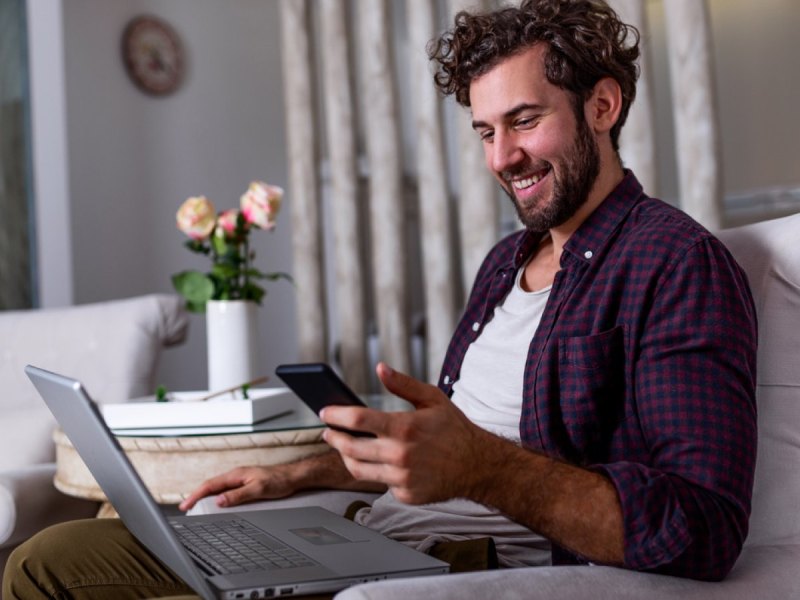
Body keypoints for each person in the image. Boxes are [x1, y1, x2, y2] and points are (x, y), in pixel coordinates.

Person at [4, 0, 757, 597]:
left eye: (525, 121)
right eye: (485, 131)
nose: (503, 158)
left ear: (602, 105)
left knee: (48, 570)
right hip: (369, 534)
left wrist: (483, 470)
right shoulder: (506, 263)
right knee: (74, 543)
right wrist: (303, 474)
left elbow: (703, 528)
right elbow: (442, 452)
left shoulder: (674, 262)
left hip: (453, 566)